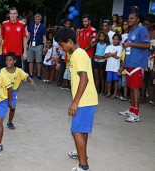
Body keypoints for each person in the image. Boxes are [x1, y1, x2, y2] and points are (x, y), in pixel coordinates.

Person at [55, 27, 98, 171]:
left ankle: (83, 165)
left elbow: (83, 79)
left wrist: (75, 102)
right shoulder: (78, 53)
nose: (62, 48)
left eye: (62, 45)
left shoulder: (78, 54)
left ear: (69, 41)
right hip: (87, 99)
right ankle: (81, 153)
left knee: (76, 131)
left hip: (84, 100)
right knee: (82, 129)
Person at [119, 12, 150, 122]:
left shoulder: (142, 30)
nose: (130, 20)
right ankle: (132, 109)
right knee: (131, 88)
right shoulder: (131, 32)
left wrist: (130, 44)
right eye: (129, 18)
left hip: (137, 64)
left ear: (137, 20)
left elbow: (147, 45)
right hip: (129, 64)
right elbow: (127, 50)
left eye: (132, 18)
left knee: (135, 89)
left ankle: (136, 114)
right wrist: (123, 66)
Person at [1, 52, 36, 130]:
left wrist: (30, 81)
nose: (8, 62)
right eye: (7, 60)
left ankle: (10, 122)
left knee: (12, 108)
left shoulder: (18, 71)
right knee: (2, 107)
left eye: (10, 60)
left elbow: (25, 76)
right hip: (3, 92)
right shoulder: (2, 71)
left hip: (13, 92)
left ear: (14, 61)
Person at [27, 13, 47, 80]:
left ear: (40, 20)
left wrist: (45, 45)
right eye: (36, 19)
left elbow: (44, 36)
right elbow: (29, 35)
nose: (37, 20)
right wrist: (26, 43)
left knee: (38, 61)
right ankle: (31, 74)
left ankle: (38, 75)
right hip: (31, 44)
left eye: (38, 19)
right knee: (30, 60)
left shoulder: (43, 27)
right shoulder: (31, 25)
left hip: (39, 45)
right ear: (34, 19)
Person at [104, 34, 122, 98]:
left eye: (116, 39)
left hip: (116, 67)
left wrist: (110, 54)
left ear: (119, 40)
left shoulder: (120, 47)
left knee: (116, 80)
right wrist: (113, 54)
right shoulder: (109, 46)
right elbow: (105, 55)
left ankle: (115, 93)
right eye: (114, 39)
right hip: (109, 67)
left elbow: (117, 57)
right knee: (109, 80)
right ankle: (109, 92)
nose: (115, 40)